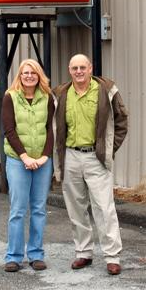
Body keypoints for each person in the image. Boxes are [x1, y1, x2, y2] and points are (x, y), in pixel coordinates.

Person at [53, 54, 128, 276]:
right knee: (76, 208)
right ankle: (83, 253)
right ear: (69, 69)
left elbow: (122, 120)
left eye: (82, 67)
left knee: (104, 208)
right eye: (75, 68)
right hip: (71, 156)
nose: (79, 71)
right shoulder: (61, 94)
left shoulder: (106, 90)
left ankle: (112, 256)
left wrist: (108, 149)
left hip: (96, 158)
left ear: (90, 68)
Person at [2, 58, 54, 272]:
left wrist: (44, 156)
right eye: (25, 73)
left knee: (39, 209)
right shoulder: (10, 97)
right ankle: (13, 256)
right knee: (18, 209)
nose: (29, 76)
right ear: (20, 76)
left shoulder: (47, 97)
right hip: (17, 160)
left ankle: (36, 254)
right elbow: (9, 130)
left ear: (39, 75)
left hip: (42, 161)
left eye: (33, 73)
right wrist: (24, 156)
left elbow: (51, 128)